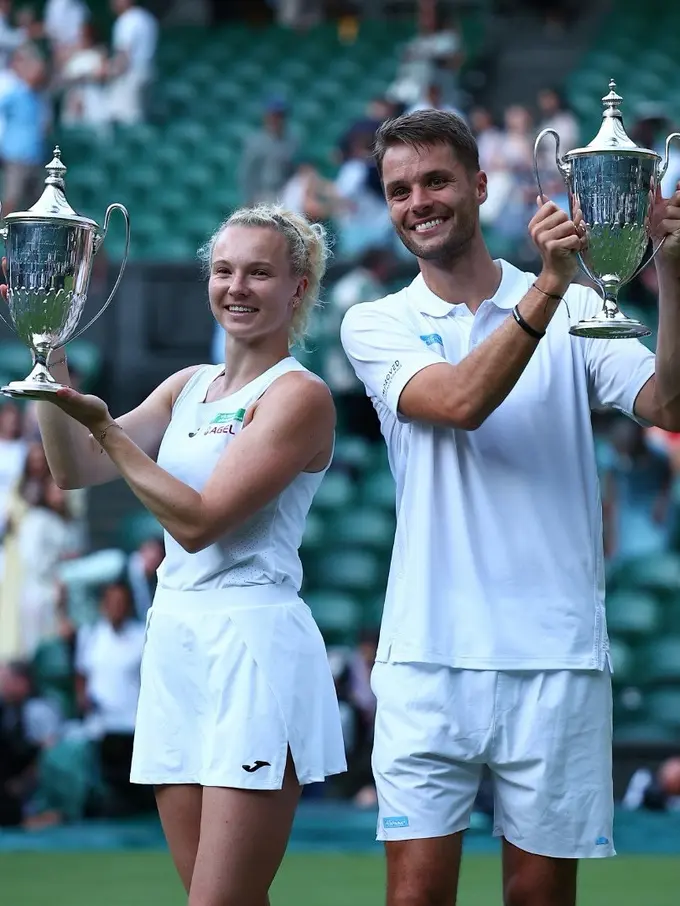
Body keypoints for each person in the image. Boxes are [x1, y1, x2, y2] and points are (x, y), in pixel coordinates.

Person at [339, 109, 680, 906]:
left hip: (554, 654)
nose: (417, 201)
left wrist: (673, 266)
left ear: (480, 186)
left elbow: (668, 401)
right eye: (399, 190)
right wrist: (552, 288)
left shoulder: (578, 307)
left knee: (539, 901)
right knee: (416, 898)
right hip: (427, 654)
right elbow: (459, 402)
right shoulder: (374, 321)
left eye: (435, 181)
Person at [12, 205, 346, 904]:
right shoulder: (185, 386)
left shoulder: (300, 396)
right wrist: (50, 349)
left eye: (260, 272)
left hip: (253, 643)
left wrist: (105, 427)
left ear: (298, 286)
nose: (237, 287)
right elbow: (72, 467)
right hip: (175, 641)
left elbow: (199, 524)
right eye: (224, 270)